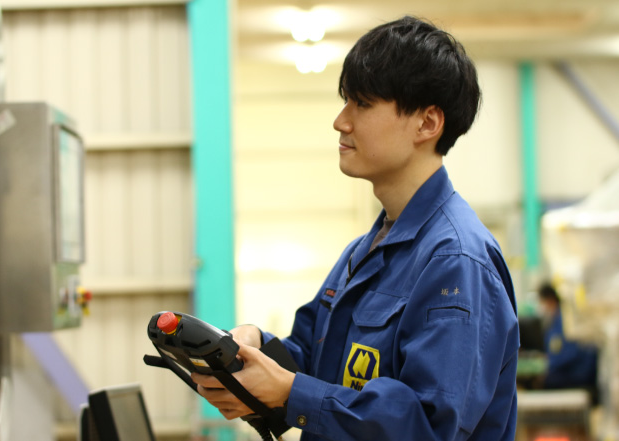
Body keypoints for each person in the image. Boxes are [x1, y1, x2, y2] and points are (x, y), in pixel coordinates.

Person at [191, 16, 519, 440]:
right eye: (346, 101)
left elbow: (430, 426)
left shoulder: (456, 261)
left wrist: (290, 393)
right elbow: (312, 360)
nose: (341, 121)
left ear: (427, 123)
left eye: (361, 104)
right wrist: (254, 349)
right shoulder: (363, 252)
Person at [538, 283, 598, 393]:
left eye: (542, 302)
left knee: (546, 381)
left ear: (549, 300)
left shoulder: (565, 320)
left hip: (576, 373)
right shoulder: (555, 320)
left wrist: (551, 365)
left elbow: (571, 352)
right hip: (570, 370)